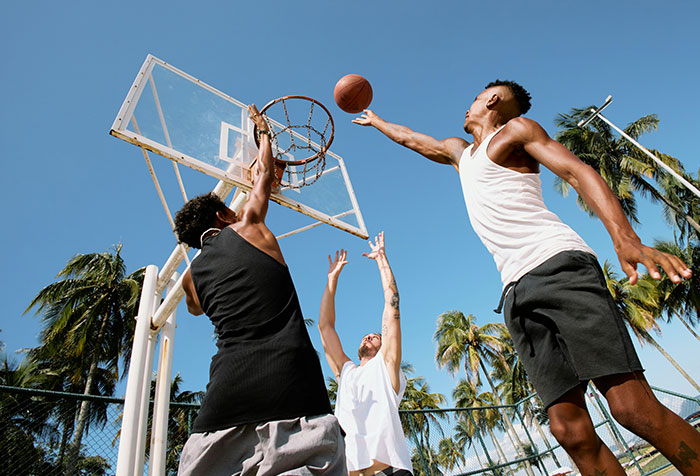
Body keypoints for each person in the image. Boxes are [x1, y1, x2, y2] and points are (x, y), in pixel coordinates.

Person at [353, 81, 700, 476]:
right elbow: (414, 140)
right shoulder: (459, 153)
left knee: (629, 407)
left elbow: (575, 171)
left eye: (473, 99)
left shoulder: (516, 133)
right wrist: (378, 120)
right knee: (569, 430)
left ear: (493, 99)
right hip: (516, 291)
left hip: (559, 266)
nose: (465, 107)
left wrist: (625, 239)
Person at [174, 105, 346, 476]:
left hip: (223, 404)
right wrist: (263, 132)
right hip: (293, 391)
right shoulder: (249, 224)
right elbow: (265, 173)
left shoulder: (189, 278)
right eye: (230, 211)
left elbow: (194, 310)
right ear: (223, 216)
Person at [318, 233, 413, 476]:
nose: (368, 337)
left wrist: (381, 260)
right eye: (365, 336)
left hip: (390, 470)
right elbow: (325, 327)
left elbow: (392, 304)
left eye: (375, 336)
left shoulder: (387, 366)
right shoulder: (347, 373)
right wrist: (332, 280)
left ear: (384, 345)